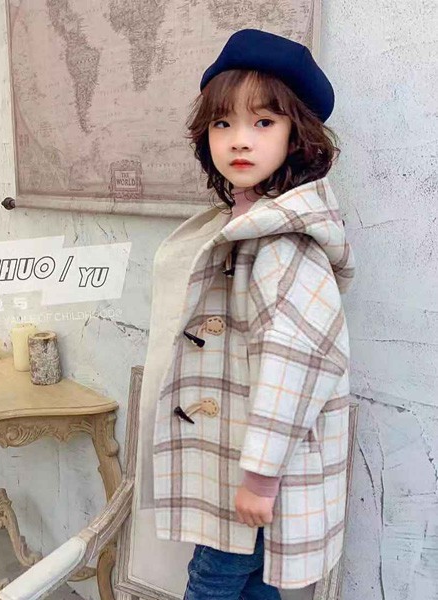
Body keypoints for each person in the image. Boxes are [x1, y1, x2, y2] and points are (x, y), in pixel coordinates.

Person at [143, 28, 355, 599]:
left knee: (213, 582)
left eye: (263, 122)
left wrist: (259, 479)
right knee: (251, 585)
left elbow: (295, 366)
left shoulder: (285, 246)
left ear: (296, 135)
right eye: (222, 123)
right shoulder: (245, 228)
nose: (240, 140)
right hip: (236, 461)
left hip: (254, 469)